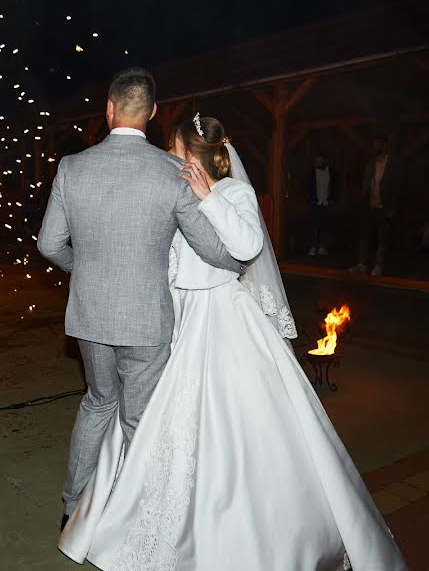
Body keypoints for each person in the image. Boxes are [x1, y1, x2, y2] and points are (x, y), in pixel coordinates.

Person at [58, 115, 407, 571]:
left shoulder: (234, 193)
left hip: (223, 316)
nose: (168, 154)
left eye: (174, 148)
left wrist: (207, 197)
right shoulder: (172, 190)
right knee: (148, 418)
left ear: (192, 155)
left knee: (236, 423)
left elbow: (245, 247)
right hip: (176, 315)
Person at [37, 68, 242, 532]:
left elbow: (49, 244)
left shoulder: (72, 168)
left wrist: (83, 270)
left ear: (109, 109)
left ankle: (73, 507)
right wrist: (239, 267)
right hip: (147, 320)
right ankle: (140, 517)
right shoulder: (172, 172)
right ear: (151, 113)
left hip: (90, 316)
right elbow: (210, 245)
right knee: (140, 418)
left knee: (98, 402)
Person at [351, 135, 398, 276]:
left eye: (378, 144)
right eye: (374, 144)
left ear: (384, 145)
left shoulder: (393, 164)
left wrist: (393, 208)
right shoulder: (371, 163)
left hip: (384, 205)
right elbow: (366, 182)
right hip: (369, 205)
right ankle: (362, 264)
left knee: (382, 237)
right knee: (365, 235)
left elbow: (397, 188)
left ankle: (379, 265)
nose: (375, 147)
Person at [305, 154, 336, 256]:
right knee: (314, 225)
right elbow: (307, 187)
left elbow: (335, 186)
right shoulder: (311, 173)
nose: (318, 163)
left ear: (325, 161)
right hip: (315, 203)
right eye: (316, 161)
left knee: (325, 225)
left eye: (320, 161)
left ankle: (322, 247)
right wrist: (310, 200)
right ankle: (313, 247)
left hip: (327, 203)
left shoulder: (331, 172)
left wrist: (332, 199)